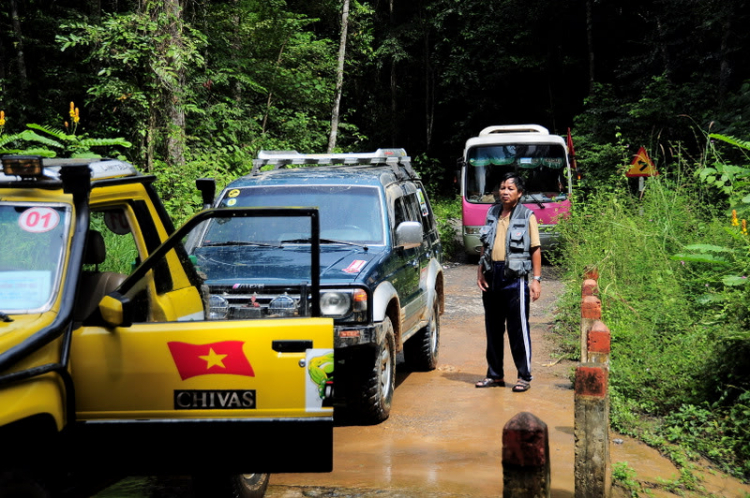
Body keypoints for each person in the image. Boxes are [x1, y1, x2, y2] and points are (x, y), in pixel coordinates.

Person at [475, 173, 541, 392]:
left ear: (519, 193)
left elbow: (535, 249)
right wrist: (480, 271)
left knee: (518, 329)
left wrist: (536, 280)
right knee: (493, 328)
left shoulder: (527, 215)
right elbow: (485, 244)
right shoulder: (492, 212)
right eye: (502, 187)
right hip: (492, 275)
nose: (505, 192)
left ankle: (524, 376)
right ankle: (495, 375)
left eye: (510, 188)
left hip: (515, 279)